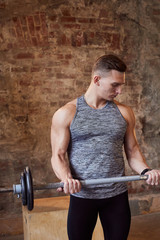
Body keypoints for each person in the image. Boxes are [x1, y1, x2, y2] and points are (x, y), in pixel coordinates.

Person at [51, 54, 160, 240]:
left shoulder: (124, 113)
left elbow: (132, 151)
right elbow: (58, 155)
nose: (119, 91)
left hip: (116, 197)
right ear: (97, 80)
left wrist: (146, 170)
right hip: (83, 196)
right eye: (115, 85)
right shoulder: (66, 113)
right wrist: (66, 178)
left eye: (121, 85)